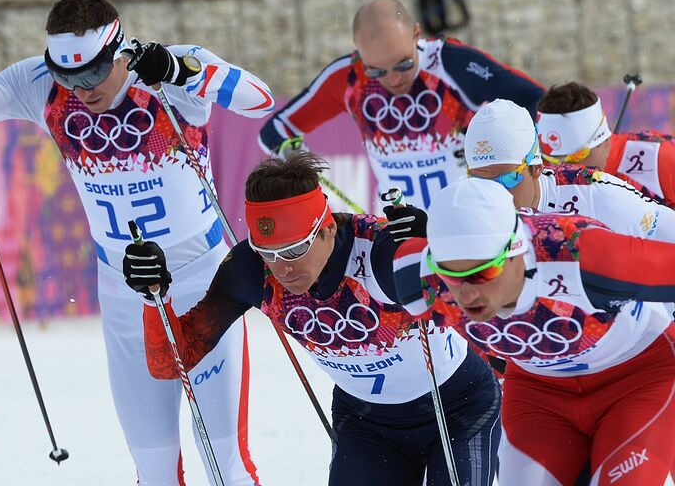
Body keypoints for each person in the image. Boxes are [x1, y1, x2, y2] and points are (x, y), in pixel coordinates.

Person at [0, 0, 275, 485]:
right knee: (154, 471)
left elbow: (260, 99)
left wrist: (184, 72)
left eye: (89, 74)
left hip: (202, 283)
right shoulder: (38, 84)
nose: (78, 90)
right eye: (66, 76)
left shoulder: (165, 69)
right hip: (123, 293)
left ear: (119, 51)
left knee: (226, 465)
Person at [123, 152, 502, 486]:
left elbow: (481, 301)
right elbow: (173, 362)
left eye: (295, 249)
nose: (283, 268)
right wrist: (155, 295)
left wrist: (432, 251)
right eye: (268, 251)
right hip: (366, 423)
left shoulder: (381, 255)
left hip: (456, 408)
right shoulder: (252, 270)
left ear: (328, 229)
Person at [392, 177, 675, 485]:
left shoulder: (580, 255)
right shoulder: (418, 280)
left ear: (516, 250)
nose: (466, 294)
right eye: (451, 275)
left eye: (483, 273)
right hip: (539, 395)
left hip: (639, 379)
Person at [258, 0, 544, 211]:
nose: (393, 79)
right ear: (359, 53)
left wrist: (525, 152)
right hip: (404, 227)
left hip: (472, 218)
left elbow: (534, 98)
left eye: (404, 64)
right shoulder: (348, 78)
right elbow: (274, 130)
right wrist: (296, 156)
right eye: (376, 71)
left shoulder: (448, 63)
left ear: (417, 34)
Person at [465, 99, 675, 243]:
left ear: (536, 168)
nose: (494, 193)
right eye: (481, 181)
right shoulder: (464, 209)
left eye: (509, 178)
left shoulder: (595, 194)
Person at [536, 81, 675, 207]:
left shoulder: (660, 159)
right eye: (552, 160)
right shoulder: (543, 172)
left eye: (576, 156)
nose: (564, 169)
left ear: (604, 139)